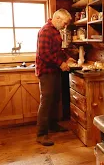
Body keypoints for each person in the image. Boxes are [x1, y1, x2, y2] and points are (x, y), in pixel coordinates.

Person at [35, 8, 75, 146]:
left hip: (54, 71)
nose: (65, 26)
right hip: (46, 72)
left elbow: (58, 51)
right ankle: (41, 134)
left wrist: (67, 58)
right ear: (57, 18)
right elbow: (44, 54)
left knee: (54, 100)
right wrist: (61, 63)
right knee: (46, 102)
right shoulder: (46, 31)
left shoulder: (55, 31)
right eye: (64, 23)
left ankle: (52, 124)